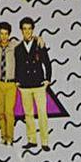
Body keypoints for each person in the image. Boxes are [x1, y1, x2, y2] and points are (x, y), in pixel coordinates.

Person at [14, 17, 52, 150]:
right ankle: (32, 140)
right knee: (28, 114)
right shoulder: (18, 48)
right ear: (21, 30)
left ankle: (45, 141)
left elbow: (47, 62)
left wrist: (48, 78)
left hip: (39, 84)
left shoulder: (39, 44)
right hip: (24, 85)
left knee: (42, 113)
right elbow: (17, 66)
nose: (27, 32)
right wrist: (17, 81)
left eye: (29, 29)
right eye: (24, 29)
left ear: (33, 30)